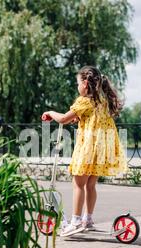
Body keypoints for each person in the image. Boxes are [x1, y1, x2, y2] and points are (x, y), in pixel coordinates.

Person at [41, 66, 129, 237]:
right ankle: (87, 219)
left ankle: (75, 221)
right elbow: (92, 118)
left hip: (88, 147)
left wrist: (50, 112)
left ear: (86, 83)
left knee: (78, 185)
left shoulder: (85, 101)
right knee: (90, 185)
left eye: (78, 83)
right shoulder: (103, 99)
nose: (77, 87)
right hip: (102, 148)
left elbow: (64, 119)